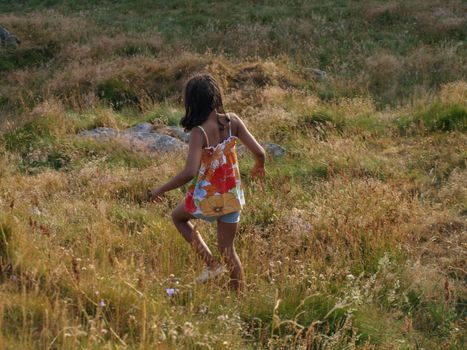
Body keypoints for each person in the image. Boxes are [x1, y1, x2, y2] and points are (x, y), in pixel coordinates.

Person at [150, 73, 265, 294]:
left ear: (192, 103)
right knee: (229, 250)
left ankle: (212, 265)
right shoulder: (233, 121)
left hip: (208, 198)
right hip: (232, 197)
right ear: (216, 96)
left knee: (178, 217)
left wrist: (161, 189)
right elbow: (260, 152)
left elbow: (189, 172)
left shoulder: (199, 132)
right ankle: (239, 298)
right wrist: (259, 166)